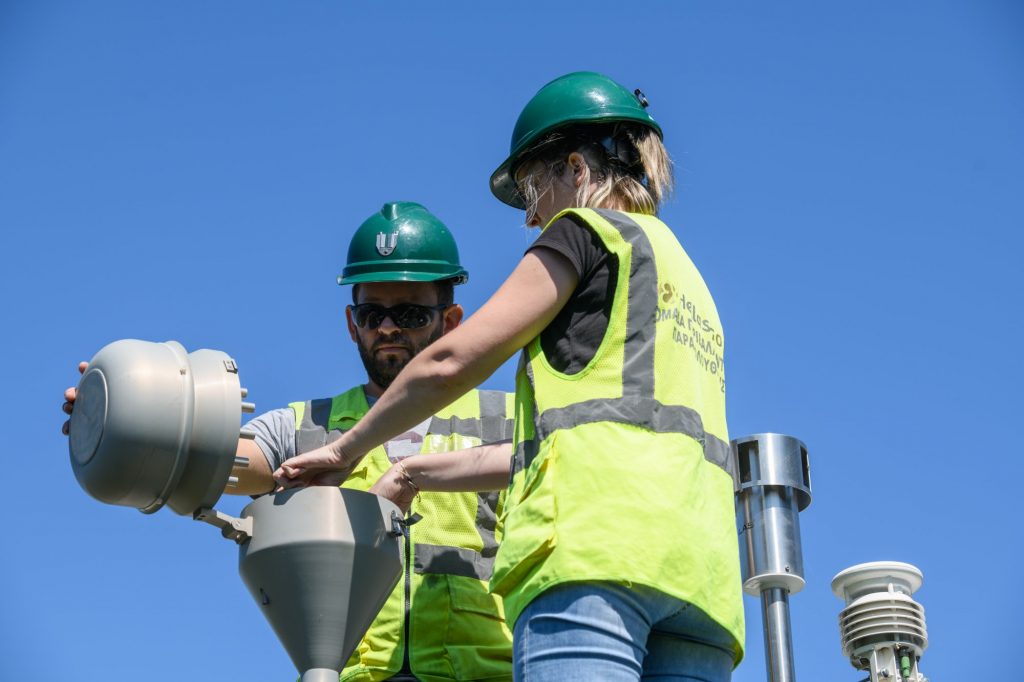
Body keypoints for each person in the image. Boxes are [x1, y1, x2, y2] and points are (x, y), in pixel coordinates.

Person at [273, 72, 745, 681]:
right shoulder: (684, 276)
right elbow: (577, 440)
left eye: (531, 190)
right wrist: (413, 471)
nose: (531, 218)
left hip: (595, 555)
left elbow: (451, 361)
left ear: (576, 169)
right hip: (699, 577)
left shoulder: (584, 233)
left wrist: (347, 446)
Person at [63, 202, 515, 682]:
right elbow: (218, 457)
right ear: (350, 323)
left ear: (451, 322)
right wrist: (123, 416)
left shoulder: (506, 421)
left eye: (409, 313)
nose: (387, 328)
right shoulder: (306, 426)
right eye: (371, 314)